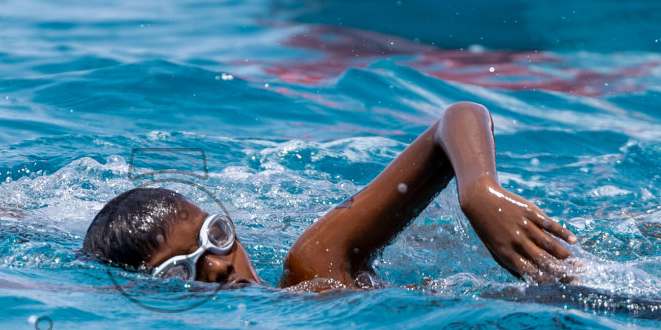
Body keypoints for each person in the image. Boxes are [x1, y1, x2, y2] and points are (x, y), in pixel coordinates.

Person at [82, 101, 576, 290]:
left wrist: (480, 190)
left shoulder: (313, 264)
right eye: (179, 271)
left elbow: (456, 120)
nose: (215, 263)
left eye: (215, 236)